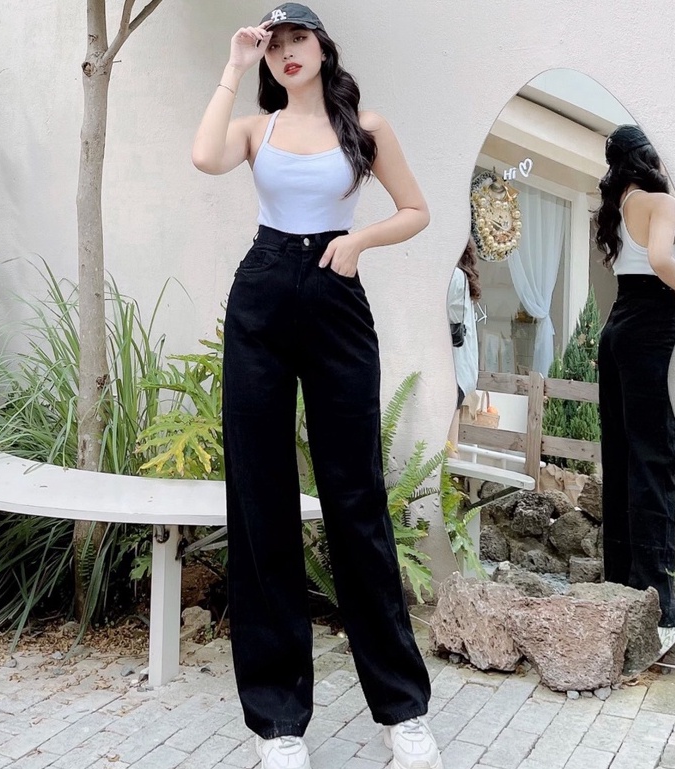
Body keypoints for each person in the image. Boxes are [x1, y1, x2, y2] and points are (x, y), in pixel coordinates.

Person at [192, 5, 442, 768]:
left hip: (335, 294)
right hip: (263, 290)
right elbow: (203, 157)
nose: (286, 53)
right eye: (274, 45)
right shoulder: (254, 129)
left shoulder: (365, 126)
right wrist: (233, 63)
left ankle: (402, 712)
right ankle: (277, 724)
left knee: (355, 496)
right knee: (260, 499)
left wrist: (358, 239)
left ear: (323, 47)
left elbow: (416, 210)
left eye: (296, 39)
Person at [594, 124, 675, 653]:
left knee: (623, 455)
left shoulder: (618, 206)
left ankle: (624, 582)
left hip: (619, 325)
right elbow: (664, 262)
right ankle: (658, 599)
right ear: (649, 158)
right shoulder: (660, 202)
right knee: (655, 458)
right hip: (654, 328)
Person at [446, 237, 481, 457]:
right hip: (459, 371)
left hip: (453, 369)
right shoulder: (462, 277)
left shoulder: (455, 276)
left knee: (448, 448)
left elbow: (452, 319)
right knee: (450, 445)